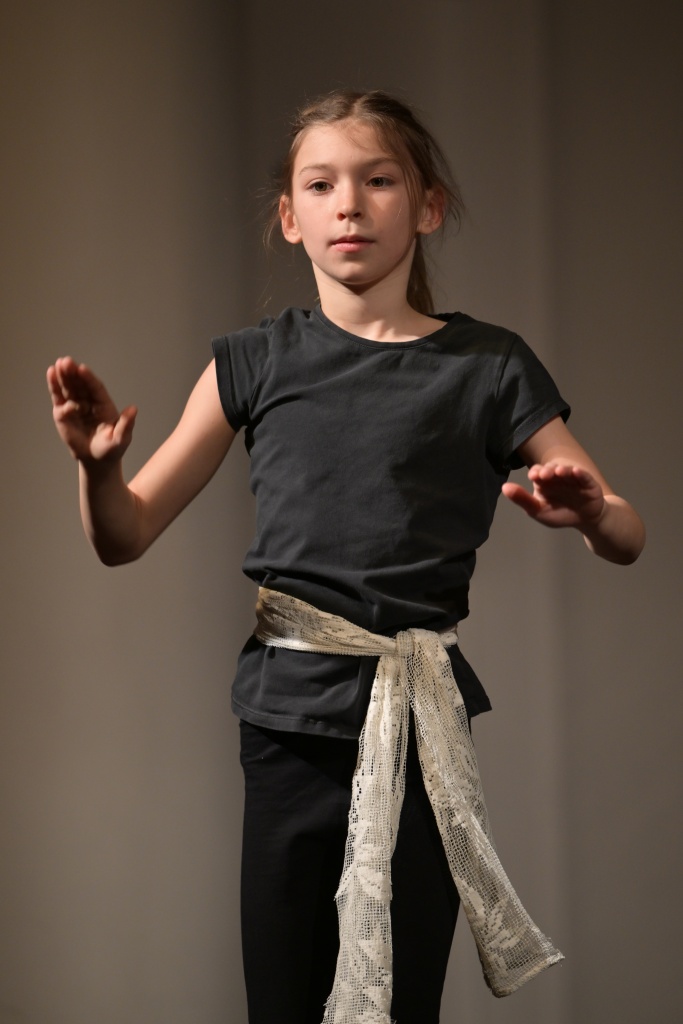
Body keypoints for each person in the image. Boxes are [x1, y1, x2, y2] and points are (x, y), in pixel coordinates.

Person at [47, 90, 645, 1024]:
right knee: (284, 996)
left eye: (378, 181)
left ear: (428, 206)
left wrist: (591, 513)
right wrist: (97, 470)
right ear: (290, 217)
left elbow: (626, 533)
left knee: (399, 1002)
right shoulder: (253, 362)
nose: (350, 205)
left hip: (418, 721)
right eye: (320, 185)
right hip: (286, 721)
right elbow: (124, 535)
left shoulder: (489, 365)